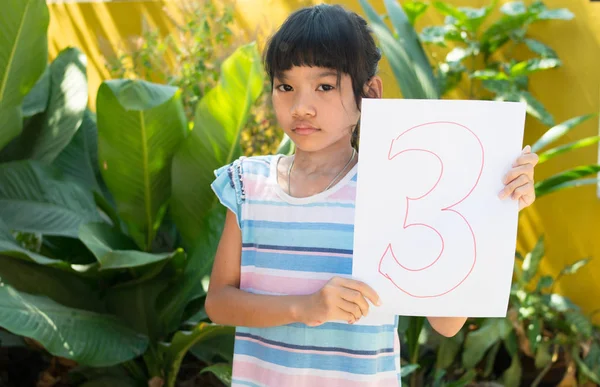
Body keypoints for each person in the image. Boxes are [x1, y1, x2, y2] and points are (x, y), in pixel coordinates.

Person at [205, 4, 539, 386]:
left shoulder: (395, 190)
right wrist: (306, 307)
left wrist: (496, 201)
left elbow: (446, 324)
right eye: (286, 87)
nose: (301, 107)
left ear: (370, 93)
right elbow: (218, 303)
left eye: (325, 86)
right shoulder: (248, 183)